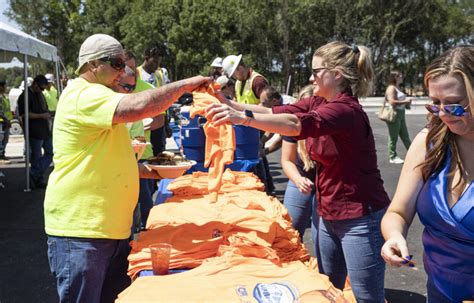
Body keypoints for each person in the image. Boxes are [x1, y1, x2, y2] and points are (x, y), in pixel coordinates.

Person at [207, 41, 390, 302]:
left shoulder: (345, 109)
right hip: (329, 214)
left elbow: (295, 124)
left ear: (336, 74)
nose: (310, 77)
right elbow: (275, 111)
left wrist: (243, 118)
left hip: (361, 218)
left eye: (316, 72)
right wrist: (229, 104)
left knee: (366, 296)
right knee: (329, 288)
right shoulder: (320, 100)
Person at [44, 34, 210, 303]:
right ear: (94, 64)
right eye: (117, 63)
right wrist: (185, 86)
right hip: (83, 233)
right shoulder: (84, 93)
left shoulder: (98, 95)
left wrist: (150, 170)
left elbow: (108, 159)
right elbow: (140, 106)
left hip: (107, 231)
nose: (123, 71)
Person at [381, 46, 474, 303]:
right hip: (439, 292)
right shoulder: (428, 143)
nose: (443, 114)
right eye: (435, 104)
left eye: (455, 105)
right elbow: (397, 212)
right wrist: (394, 236)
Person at [112, 50, 157, 232]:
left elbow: (139, 136)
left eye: (133, 87)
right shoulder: (108, 104)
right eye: (126, 87)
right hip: (115, 173)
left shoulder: (137, 102)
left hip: (137, 161)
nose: (130, 92)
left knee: (142, 204)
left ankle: (140, 234)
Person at [280, 85, 318, 245]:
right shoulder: (293, 126)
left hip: (327, 184)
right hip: (300, 179)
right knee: (290, 232)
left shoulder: (330, 123)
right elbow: (287, 160)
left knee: (321, 239)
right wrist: (298, 179)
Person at [17, 75, 52, 189]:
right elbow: (25, 114)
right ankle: (37, 178)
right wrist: (42, 115)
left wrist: (48, 114)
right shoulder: (25, 96)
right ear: (35, 84)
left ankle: (35, 174)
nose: (42, 90)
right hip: (34, 131)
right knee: (36, 156)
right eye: (41, 88)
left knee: (50, 152)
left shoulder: (39, 94)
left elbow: (44, 109)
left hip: (44, 130)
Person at [137, 45, 168, 156]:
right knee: (145, 153)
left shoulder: (159, 75)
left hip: (159, 122)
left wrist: (166, 124)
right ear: (146, 58)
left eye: (158, 62)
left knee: (160, 153)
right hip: (144, 123)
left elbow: (165, 99)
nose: (156, 65)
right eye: (154, 62)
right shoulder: (137, 73)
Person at [384, 70, 412, 164]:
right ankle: (392, 157)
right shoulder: (391, 88)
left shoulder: (397, 87)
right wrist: (406, 102)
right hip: (394, 114)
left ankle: (412, 153)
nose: (402, 77)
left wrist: (407, 104)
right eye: (400, 75)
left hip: (401, 113)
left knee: (405, 136)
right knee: (393, 137)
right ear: (395, 77)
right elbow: (392, 102)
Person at [0, 80, 13, 163]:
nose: (6, 88)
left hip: (6, 121)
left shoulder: (4, 97)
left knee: (5, 139)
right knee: (1, 140)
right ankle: (0, 156)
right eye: (5, 86)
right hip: (1, 122)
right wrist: (6, 120)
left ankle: (2, 154)